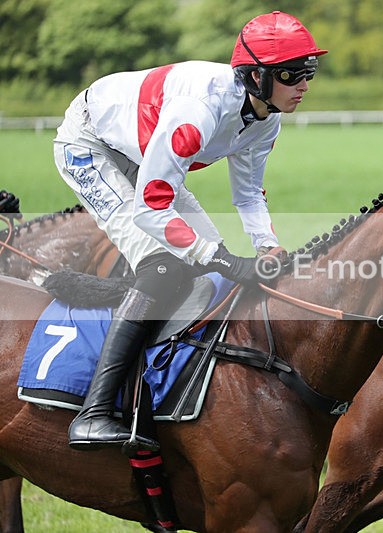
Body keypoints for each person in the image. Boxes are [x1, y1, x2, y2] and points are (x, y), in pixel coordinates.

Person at [53, 11, 326, 450]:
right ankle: (93, 412)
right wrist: (224, 258)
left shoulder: (267, 118)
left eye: (308, 72)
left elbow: (249, 194)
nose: (304, 85)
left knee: (205, 266)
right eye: (291, 74)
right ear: (256, 76)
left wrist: (268, 247)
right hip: (91, 145)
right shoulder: (197, 113)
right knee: (164, 265)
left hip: (143, 151)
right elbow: (150, 209)